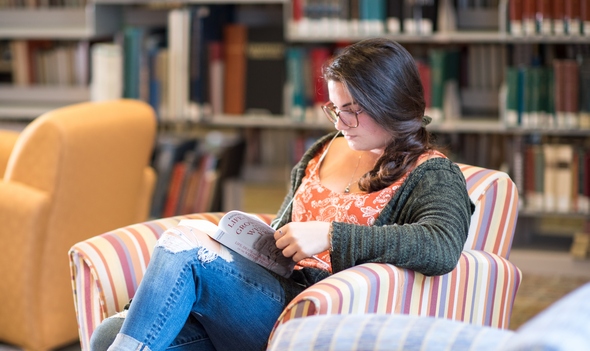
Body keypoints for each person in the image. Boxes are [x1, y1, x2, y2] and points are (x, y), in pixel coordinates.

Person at [91, 37, 475, 351]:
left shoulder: (432, 172)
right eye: (335, 109)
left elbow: (440, 245)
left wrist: (329, 234)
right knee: (108, 335)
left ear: (389, 102)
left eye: (353, 111)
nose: (341, 124)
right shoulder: (324, 148)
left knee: (183, 245)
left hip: (313, 315)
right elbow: (284, 227)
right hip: (266, 299)